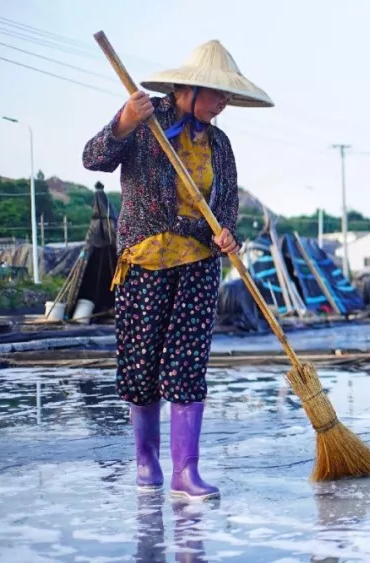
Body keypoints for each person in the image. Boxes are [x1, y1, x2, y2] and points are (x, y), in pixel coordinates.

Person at [82, 40, 273, 500]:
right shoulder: (146, 122)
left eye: (228, 96)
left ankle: (186, 471)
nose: (224, 103)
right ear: (190, 89)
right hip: (146, 260)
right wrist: (125, 120)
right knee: (141, 362)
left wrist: (228, 233)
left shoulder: (219, 143)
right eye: (218, 95)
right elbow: (94, 158)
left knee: (188, 364)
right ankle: (146, 461)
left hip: (199, 265)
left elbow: (226, 205)